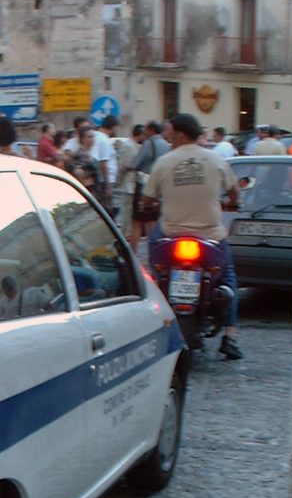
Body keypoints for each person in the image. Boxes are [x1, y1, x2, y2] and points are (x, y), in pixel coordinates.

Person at [142, 113, 243, 360]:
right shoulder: (217, 160)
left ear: (180, 135)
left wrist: (153, 204)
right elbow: (235, 194)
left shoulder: (164, 162)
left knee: (152, 269)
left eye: (170, 135)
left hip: (171, 234)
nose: (168, 140)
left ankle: (158, 300)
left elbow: (147, 200)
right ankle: (230, 336)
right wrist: (230, 203)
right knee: (228, 278)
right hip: (210, 236)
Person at [115, 123, 146, 249]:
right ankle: (126, 232)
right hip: (129, 182)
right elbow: (124, 165)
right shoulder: (128, 146)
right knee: (128, 209)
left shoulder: (136, 145)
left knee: (131, 208)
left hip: (134, 181)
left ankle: (129, 231)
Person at [95, 114, 120, 215]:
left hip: (99, 178)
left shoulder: (95, 136)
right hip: (105, 179)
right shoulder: (104, 140)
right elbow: (103, 163)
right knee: (107, 209)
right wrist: (108, 185)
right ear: (114, 127)